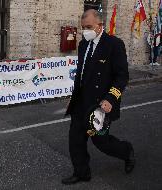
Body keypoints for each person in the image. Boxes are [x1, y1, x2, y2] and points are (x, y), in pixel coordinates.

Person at [63, 9, 135, 185]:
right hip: (81, 103)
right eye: (83, 27)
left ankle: (127, 152)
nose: (85, 30)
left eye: (89, 27)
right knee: (75, 139)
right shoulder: (83, 45)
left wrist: (111, 99)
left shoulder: (114, 44)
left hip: (100, 104)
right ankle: (82, 173)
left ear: (100, 25)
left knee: (102, 142)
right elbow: (82, 75)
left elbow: (122, 76)